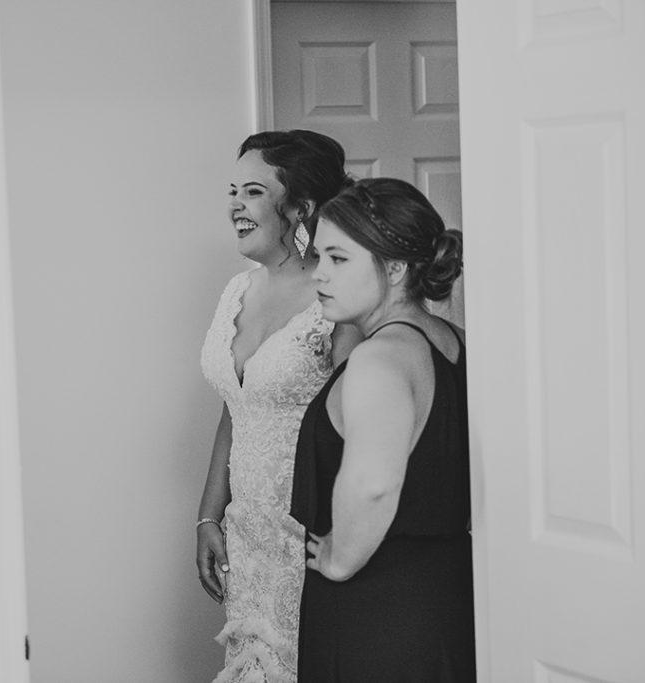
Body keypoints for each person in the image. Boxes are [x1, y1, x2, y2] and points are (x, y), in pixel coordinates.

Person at [290, 177, 474, 681]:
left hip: (378, 609)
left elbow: (374, 483)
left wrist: (339, 562)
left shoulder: (379, 358)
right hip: (448, 595)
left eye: (338, 258)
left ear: (395, 268)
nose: (319, 274)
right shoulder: (456, 342)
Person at [197, 130, 358, 682]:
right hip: (248, 539)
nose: (235, 205)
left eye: (254, 192)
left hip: (311, 537)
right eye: (232, 191)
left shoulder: (336, 296)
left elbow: (360, 427)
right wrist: (208, 515)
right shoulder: (236, 291)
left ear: (301, 207)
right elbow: (235, 409)